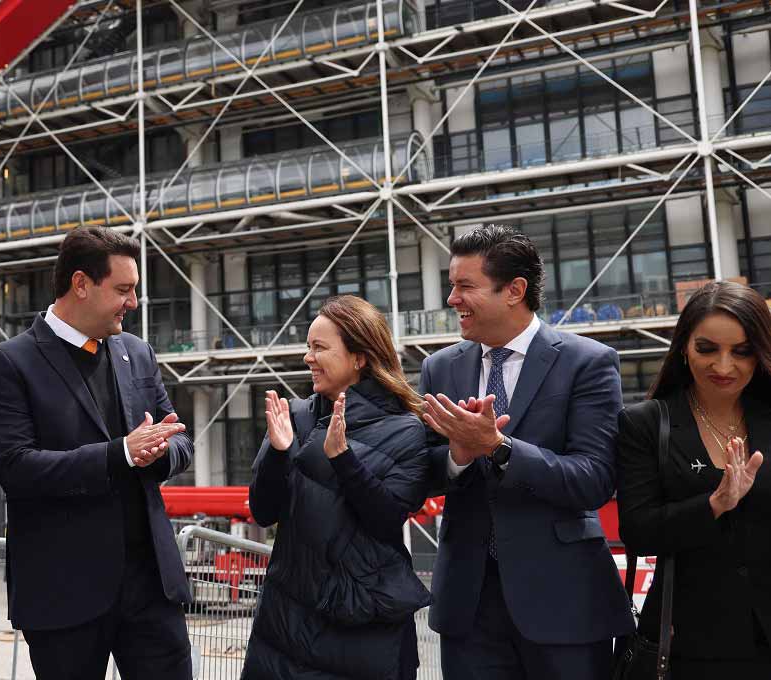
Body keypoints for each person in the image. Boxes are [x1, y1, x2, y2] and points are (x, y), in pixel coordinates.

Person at [418, 225, 634, 680]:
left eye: (465, 286)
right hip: (469, 607)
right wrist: (458, 456)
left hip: (564, 602)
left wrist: (499, 448)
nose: (452, 299)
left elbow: (594, 479)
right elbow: (424, 472)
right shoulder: (439, 368)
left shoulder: (587, 362)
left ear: (514, 290)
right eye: (451, 285)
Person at [0, 226, 193, 679]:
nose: (133, 302)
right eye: (123, 289)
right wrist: (121, 454)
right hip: (65, 593)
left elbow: (180, 439)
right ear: (80, 284)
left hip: (152, 588)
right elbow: (15, 468)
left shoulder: (137, 352)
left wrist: (159, 452)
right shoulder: (10, 362)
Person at [242, 295, 431, 680]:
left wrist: (344, 459)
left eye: (319, 347)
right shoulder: (294, 416)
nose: (308, 357)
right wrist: (277, 453)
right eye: (308, 347)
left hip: (362, 628)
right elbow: (262, 512)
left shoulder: (406, 430)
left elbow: (387, 519)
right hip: (283, 625)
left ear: (359, 357)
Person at [616, 280, 771, 678]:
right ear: (683, 347)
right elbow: (638, 531)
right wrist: (714, 504)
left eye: (741, 351)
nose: (724, 366)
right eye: (707, 349)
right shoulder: (645, 423)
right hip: (689, 642)